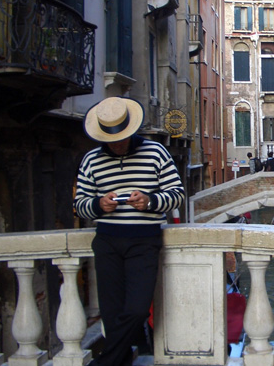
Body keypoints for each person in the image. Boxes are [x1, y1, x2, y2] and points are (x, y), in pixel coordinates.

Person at [74, 97, 185, 366]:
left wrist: (149, 201)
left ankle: (103, 363)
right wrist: (99, 205)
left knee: (136, 310)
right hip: (107, 242)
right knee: (111, 314)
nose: (118, 143)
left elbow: (177, 195)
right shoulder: (91, 160)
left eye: (122, 136)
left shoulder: (156, 152)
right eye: (112, 139)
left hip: (144, 242)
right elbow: (80, 206)